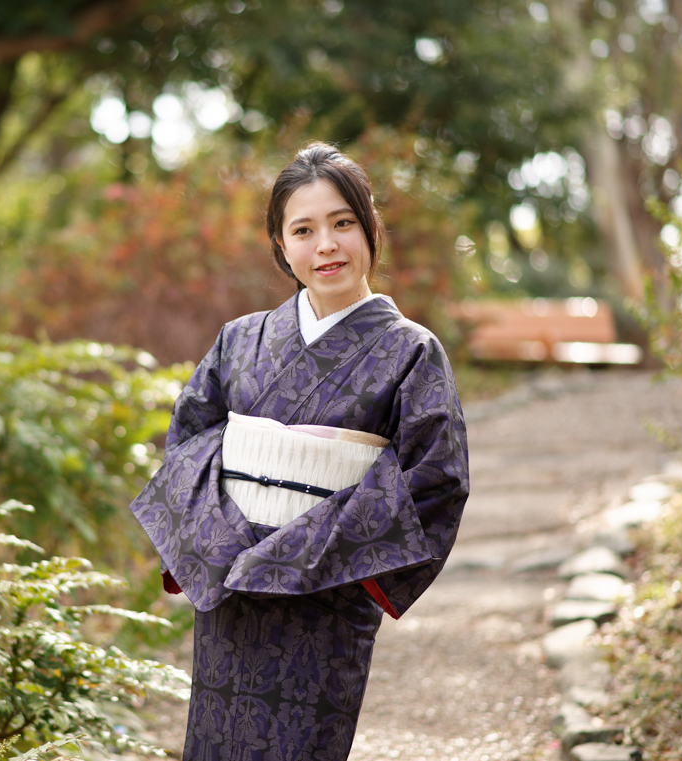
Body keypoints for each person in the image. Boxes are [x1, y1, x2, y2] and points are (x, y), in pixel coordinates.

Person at [129, 142, 469, 761]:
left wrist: (303, 554)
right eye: (304, 230)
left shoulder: (412, 352)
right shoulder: (241, 340)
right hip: (232, 583)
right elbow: (188, 444)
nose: (327, 246)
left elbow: (436, 477)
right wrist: (225, 547)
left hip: (326, 590)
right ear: (282, 246)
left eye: (342, 223)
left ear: (370, 228)